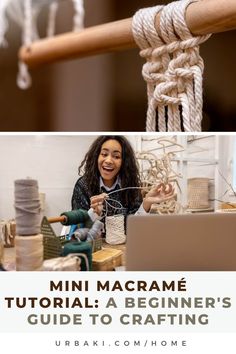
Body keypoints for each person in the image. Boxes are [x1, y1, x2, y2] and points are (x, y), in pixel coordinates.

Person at [71, 135, 174, 229]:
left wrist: (146, 203)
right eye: (104, 154)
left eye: (116, 156)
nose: (108, 160)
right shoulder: (83, 185)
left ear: (124, 162)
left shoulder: (130, 185)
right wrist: (93, 213)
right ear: (97, 156)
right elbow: (78, 227)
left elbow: (135, 227)